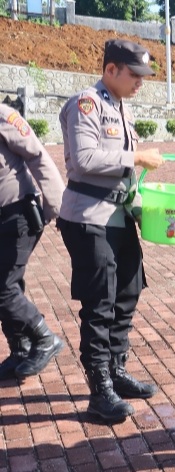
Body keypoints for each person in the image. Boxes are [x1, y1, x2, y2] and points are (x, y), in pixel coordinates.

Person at [57, 39, 164, 422]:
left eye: (143, 76)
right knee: (99, 302)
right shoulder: (86, 104)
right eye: (134, 74)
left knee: (129, 288)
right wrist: (136, 155)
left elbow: (125, 175)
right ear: (111, 70)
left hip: (117, 217)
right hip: (88, 217)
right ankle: (99, 388)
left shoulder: (121, 109)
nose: (140, 82)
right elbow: (84, 159)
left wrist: (140, 209)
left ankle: (116, 369)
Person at [0, 104, 65, 381]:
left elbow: (37, 155)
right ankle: (21, 350)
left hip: (18, 214)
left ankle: (45, 338)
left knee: (3, 289)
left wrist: (59, 207)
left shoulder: (3, 116)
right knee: (8, 284)